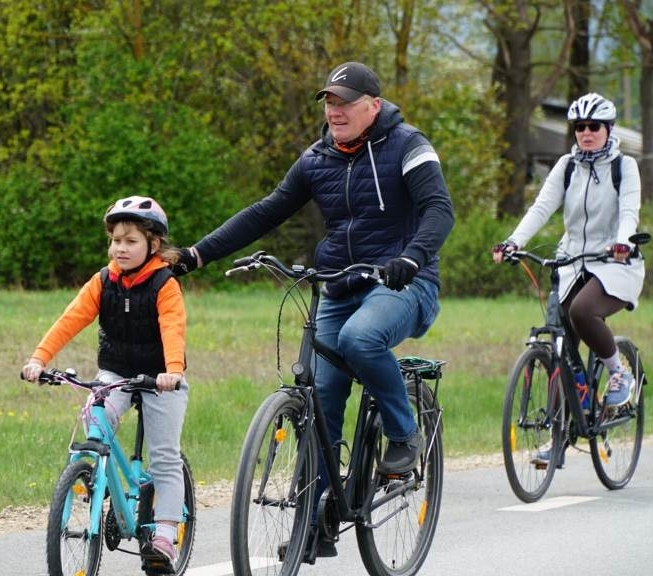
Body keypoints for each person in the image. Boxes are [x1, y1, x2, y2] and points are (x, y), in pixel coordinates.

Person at [173, 61, 455, 558]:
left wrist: (411, 257)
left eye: (345, 102)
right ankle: (316, 519)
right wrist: (198, 254)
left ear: (373, 105)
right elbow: (266, 210)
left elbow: (439, 210)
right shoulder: (317, 157)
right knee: (320, 400)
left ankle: (404, 434)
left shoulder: (409, 145)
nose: (335, 110)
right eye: (329, 101)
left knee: (359, 340)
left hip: (404, 283)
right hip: (338, 285)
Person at [21, 196, 188, 566]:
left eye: (131, 241)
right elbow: (70, 319)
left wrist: (173, 371)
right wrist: (39, 358)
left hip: (160, 376)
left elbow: (173, 328)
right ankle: (94, 481)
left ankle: (164, 533)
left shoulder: (164, 283)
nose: (121, 248)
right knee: (94, 421)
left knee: (164, 457)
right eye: (115, 240)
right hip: (115, 373)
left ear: (153, 245)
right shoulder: (103, 280)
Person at [492, 92, 645, 463]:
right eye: (580, 127)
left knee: (582, 311)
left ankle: (617, 373)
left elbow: (629, 211)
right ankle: (560, 434)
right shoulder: (567, 166)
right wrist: (513, 241)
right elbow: (542, 207)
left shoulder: (624, 167)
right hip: (572, 261)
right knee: (559, 343)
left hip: (614, 263)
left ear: (609, 130)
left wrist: (623, 243)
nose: (587, 133)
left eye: (594, 127)